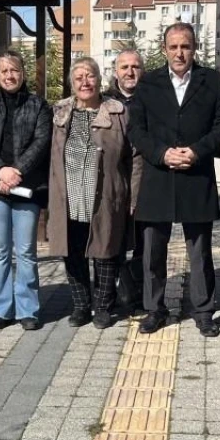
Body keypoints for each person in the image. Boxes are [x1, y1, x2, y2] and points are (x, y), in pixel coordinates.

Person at [126, 22, 220, 337]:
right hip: (158, 177)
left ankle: (203, 311)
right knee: (151, 252)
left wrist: (197, 151)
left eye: (185, 46)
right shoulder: (148, 83)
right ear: (164, 49)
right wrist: (162, 154)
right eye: (173, 46)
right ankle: (154, 310)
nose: (179, 52)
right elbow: (137, 130)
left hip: (195, 175)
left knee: (200, 252)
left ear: (194, 48)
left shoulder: (212, 81)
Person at [47, 57, 133, 330]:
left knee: (105, 250)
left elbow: (134, 157)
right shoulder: (60, 113)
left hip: (105, 194)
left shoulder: (117, 111)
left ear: (99, 79)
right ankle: (81, 305)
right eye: (79, 77)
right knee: (72, 250)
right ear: (72, 83)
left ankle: (104, 306)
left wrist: (133, 193)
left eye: (90, 75)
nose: (85, 82)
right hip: (69, 195)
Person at [0, 49, 52, 331]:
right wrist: (0, 170)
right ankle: (1, 309)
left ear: (23, 73)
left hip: (26, 187)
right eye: (4, 71)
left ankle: (28, 310)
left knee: (27, 250)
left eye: (14, 70)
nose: (10, 75)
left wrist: (16, 171)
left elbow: (41, 142)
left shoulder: (39, 105)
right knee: (1, 251)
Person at [107, 49, 146, 314]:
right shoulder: (104, 102)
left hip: (146, 183)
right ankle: (114, 294)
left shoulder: (153, 98)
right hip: (112, 185)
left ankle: (143, 294)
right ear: (115, 72)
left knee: (145, 244)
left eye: (135, 66)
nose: (130, 72)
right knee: (114, 243)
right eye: (124, 67)